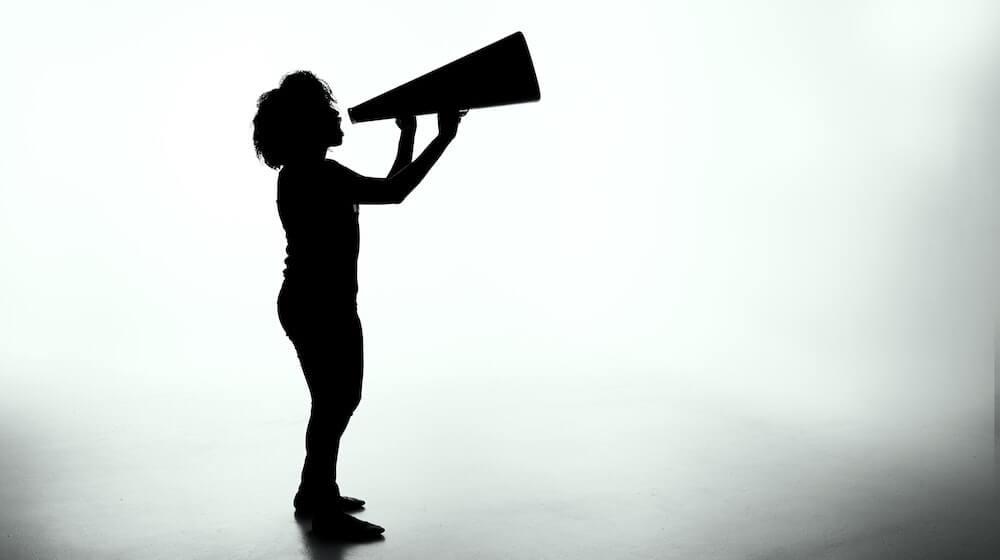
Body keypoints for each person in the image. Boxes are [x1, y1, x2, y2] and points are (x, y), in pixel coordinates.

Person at [252, 70, 462, 541]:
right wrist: (443, 137)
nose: (339, 117)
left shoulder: (308, 173)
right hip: (320, 307)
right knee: (335, 402)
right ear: (309, 128)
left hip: (312, 304)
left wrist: (408, 134)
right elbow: (395, 192)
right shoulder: (318, 174)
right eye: (328, 113)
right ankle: (322, 508)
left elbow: (387, 185)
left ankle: (314, 491)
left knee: (332, 402)